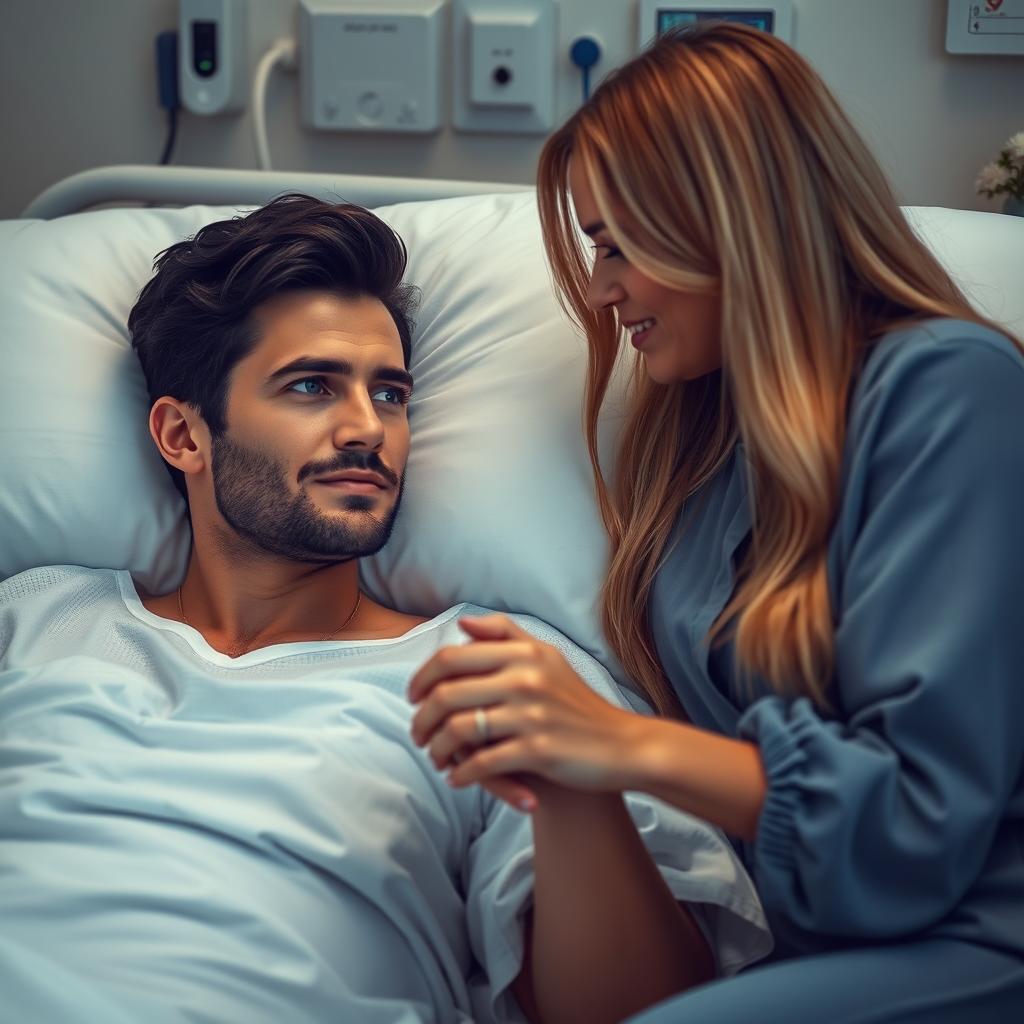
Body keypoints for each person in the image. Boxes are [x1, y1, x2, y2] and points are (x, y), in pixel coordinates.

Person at [0, 194, 771, 1024]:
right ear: (183, 436)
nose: (368, 428)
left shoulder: (497, 673)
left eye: (392, 394)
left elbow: (646, 1011)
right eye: (311, 386)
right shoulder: (33, 623)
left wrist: (577, 791)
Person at [408, 21, 1024, 1023]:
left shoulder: (951, 392)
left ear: (726, 217)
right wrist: (565, 771)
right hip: (815, 944)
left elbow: (919, 822)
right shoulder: (697, 465)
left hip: (976, 936)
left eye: (615, 243)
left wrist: (613, 741)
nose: (600, 291)